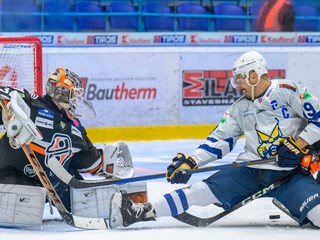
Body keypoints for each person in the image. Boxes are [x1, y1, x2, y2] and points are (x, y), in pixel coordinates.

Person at [109, 51, 320, 229]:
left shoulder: (287, 91)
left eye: (239, 78)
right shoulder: (239, 108)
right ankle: (140, 212)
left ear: (253, 75)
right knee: (199, 192)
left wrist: (300, 143)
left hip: (291, 175)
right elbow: (219, 140)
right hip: (250, 172)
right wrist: (191, 161)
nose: (237, 85)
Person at [0, 68, 135, 226]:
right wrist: (12, 105)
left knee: (78, 190)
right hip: (7, 176)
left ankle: (121, 206)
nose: (76, 99)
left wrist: (108, 163)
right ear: (61, 92)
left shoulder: (76, 129)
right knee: (25, 198)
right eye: (73, 94)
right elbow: (6, 96)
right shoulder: (31, 103)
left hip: (45, 189)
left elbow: (91, 162)